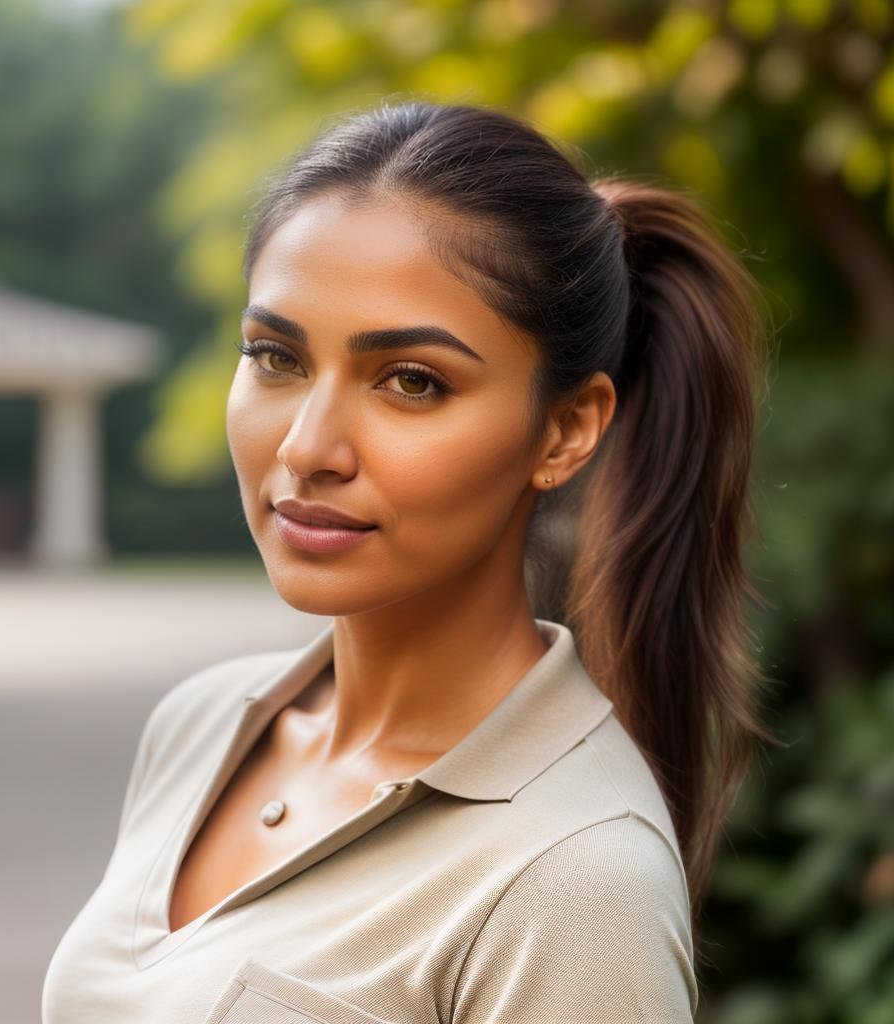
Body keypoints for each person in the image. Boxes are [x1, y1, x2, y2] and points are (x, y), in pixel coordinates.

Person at [42, 98, 773, 1023]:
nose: (308, 447)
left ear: (566, 428)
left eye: (412, 382)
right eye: (275, 356)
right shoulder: (200, 726)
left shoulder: (574, 877)